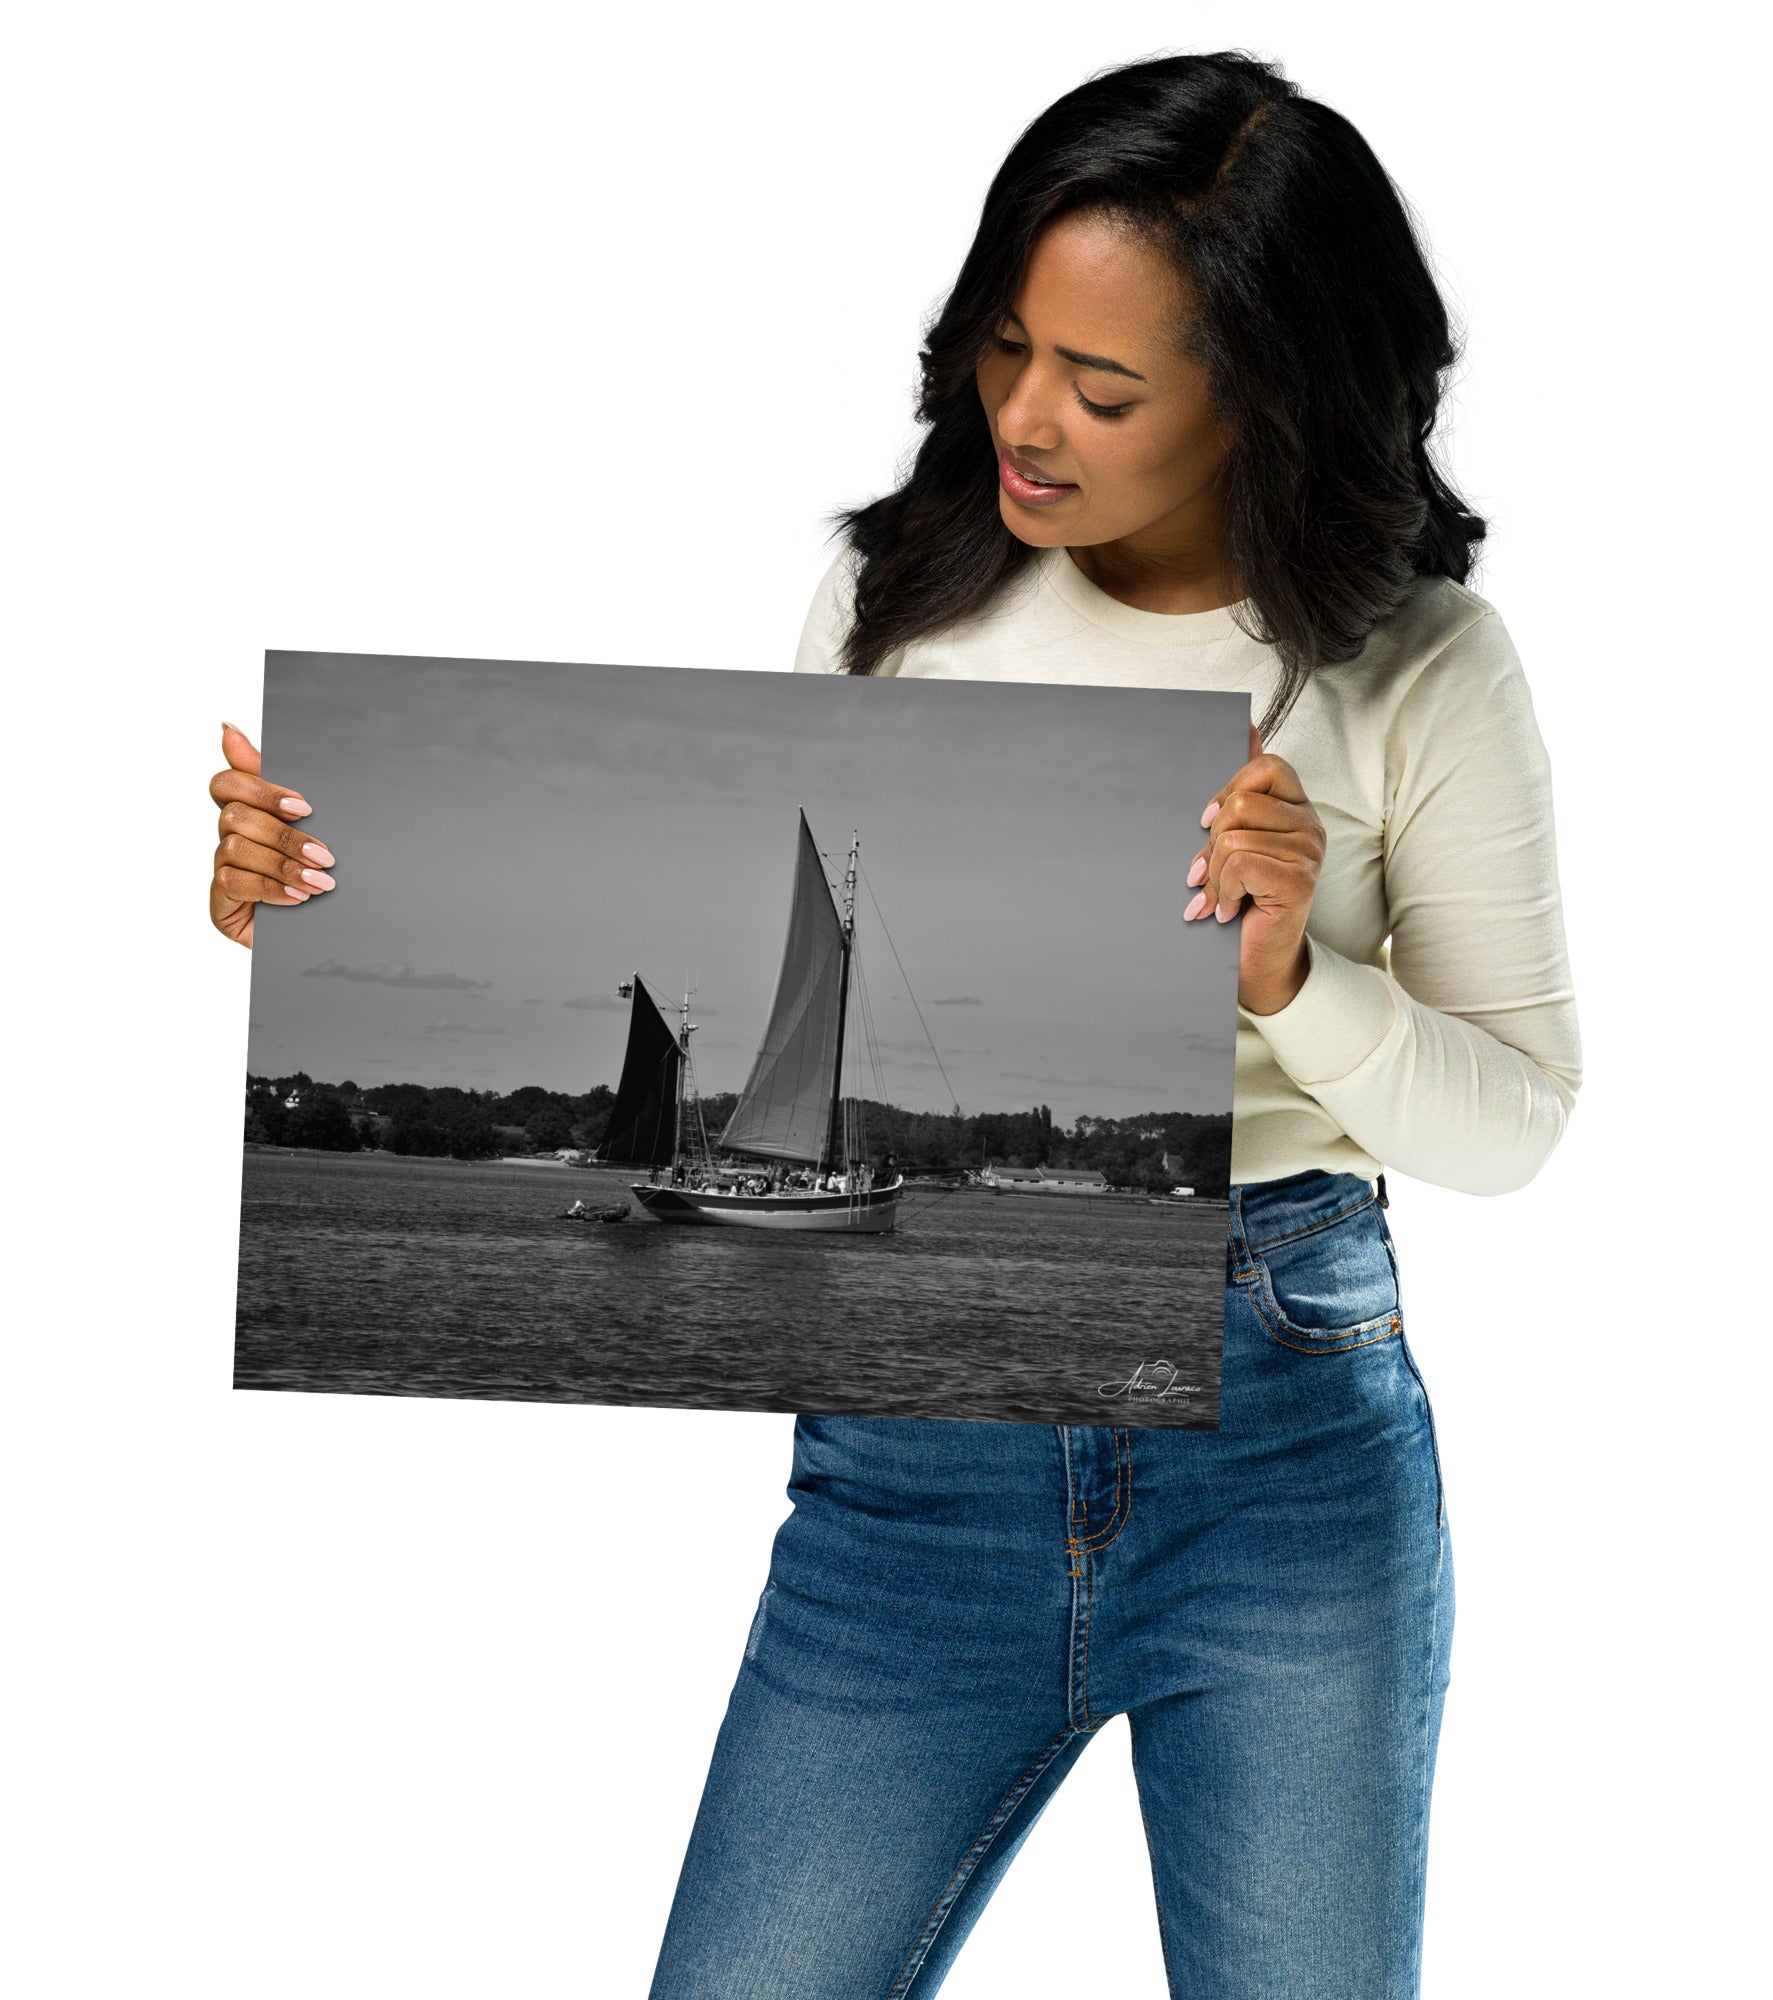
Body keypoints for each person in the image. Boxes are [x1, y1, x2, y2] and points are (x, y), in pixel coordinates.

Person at [206, 50, 1582, 1998]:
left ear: (1267, 394)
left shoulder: (1421, 664)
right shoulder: (891, 594)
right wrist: (319, 898)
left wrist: (1293, 979)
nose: (1025, 416)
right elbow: (718, 943)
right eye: (1005, 346)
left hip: (1280, 1452)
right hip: (906, 1496)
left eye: (1102, 388)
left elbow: (1516, 1120)